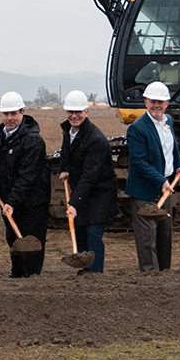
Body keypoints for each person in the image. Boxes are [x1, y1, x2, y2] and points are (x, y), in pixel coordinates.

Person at [0, 91, 50, 278]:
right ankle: (16, 276)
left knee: (30, 241)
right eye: (6, 114)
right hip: (8, 200)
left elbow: (27, 176)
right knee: (13, 239)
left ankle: (31, 278)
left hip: (32, 202)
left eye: (14, 114)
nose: (10, 118)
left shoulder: (33, 140)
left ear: (23, 112)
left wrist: (12, 202)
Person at [125, 81, 180, 272]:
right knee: (147, 238)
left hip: (165, 190)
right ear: (145, 102)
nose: (156, 105)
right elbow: (139, 162)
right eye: (153, 101)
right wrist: (161, 181)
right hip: (144, 191)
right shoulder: (137, 128)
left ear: (167, 103)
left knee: (164, 236)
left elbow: (172, 148)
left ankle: (164, 275)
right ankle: (150, 279)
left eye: (160, 102)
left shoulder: (168, 121)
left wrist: (179, 164)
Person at [58, 90, 119, 273]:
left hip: (100, 192)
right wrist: (64, 168)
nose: (74, 116)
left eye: (78, 112)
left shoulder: (95, 140)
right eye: (70, 111)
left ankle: (96, 274)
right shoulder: (69, 130)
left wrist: (74, 203)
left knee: (93, 234)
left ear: (86, 112)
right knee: (80, 231)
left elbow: (89, 176)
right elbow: (65, 150)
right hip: (82, 190)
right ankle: (84, 271)